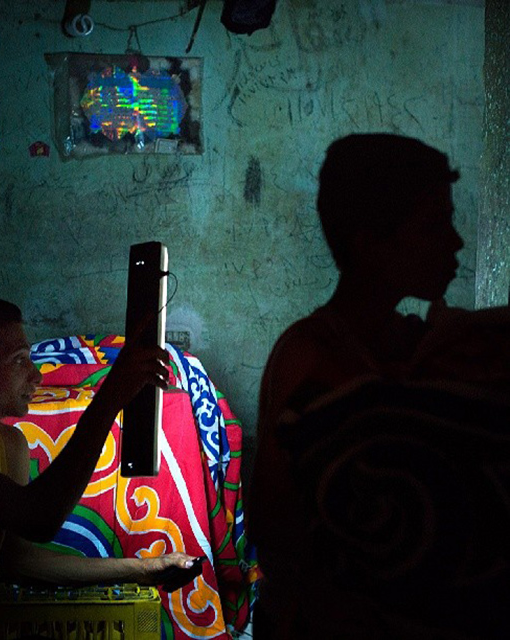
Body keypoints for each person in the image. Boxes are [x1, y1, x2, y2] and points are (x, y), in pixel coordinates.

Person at [0, 296, 198, 640]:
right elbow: (39, 517)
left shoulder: (10, 446)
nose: (37, 375)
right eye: (19, 360)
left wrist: (141, 569)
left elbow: (19, 560)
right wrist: (110, 398)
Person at [248, 133, 468, 638]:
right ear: (370, 244)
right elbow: (273, 527)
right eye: (435, 225)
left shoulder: (423, 344)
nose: (455, 242)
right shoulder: (310, 355)